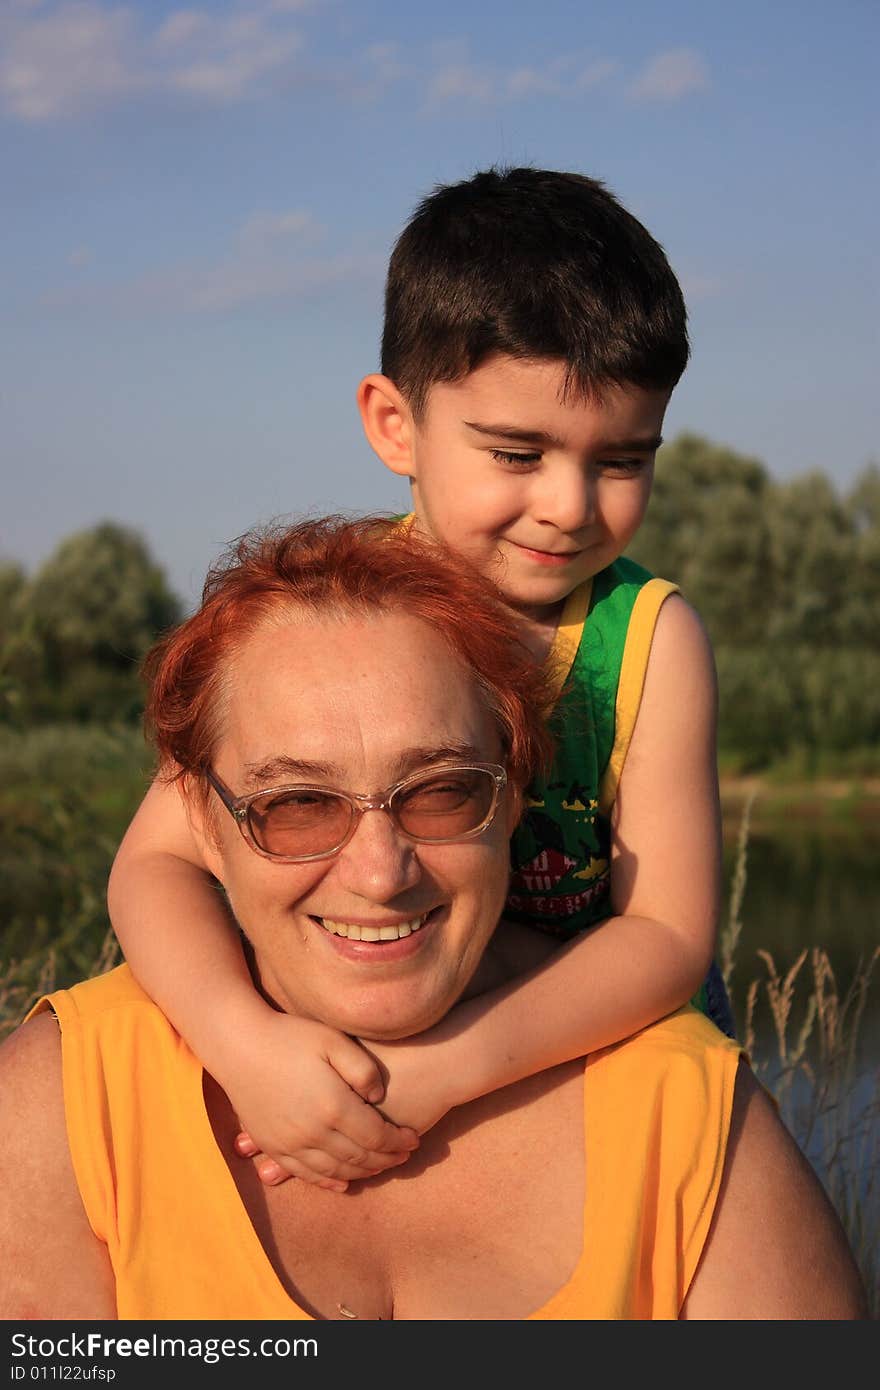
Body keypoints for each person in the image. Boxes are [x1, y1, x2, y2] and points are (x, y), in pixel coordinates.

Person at [0, 518, 866, 1320]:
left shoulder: (686, 1121)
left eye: (444, 792)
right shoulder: (69, 1109)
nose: (379, 874)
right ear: (200, 819)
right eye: (298, 804)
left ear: (515, 789)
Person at [108, 166, 736, 1189]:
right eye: (517, 452)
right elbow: (154, 864)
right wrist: (242, 1041)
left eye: (620, 461)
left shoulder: (651, 640)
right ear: (394, 423)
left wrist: (445, 1068)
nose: (569, 505)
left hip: (572, 1054)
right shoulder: (327, 611)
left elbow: (667, 935)